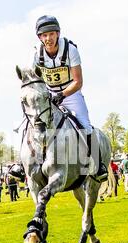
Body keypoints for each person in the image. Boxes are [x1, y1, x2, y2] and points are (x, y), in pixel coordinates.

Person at [33, 15, 108, 181]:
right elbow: (37, 82)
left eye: (51, 34)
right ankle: (27, 166)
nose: (48, 38)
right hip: (50, 94)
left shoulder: (70, 50)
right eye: (44, 35)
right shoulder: (37, 55)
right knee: (33, 123)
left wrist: (62, 94)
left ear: (57, 34)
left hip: (71, 93)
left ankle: (98, 164)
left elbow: (78, 81)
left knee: (85, 126)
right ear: (40, 37)